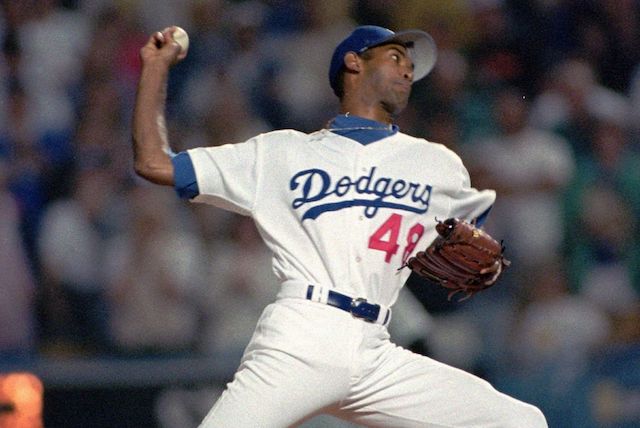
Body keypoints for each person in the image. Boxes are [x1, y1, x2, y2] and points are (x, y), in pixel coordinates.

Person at [132, 24, 547, 427]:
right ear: (354, 61)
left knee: (520, 421)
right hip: (301, 337)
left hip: (376, 350)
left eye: (411, 68)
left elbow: (468, 243)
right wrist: (155, 66)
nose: (407, 71)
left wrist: (487, 267)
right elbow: (154, 162)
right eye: (397, 57)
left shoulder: (438, 164)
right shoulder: (281, 152)